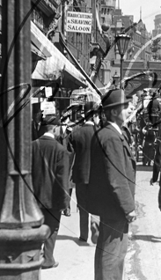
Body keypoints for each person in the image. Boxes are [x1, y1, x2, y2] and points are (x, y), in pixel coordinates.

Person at [87, 89, 136, 280]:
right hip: (114, 207)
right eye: (125, 107)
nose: (129, 109)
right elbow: (117, 176)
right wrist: (129, 207)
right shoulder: (112, 137)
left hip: (108, 206)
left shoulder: (108, 134)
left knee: (107, 254)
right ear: (114, 112)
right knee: (113, 257)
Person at [31, 115, 70, 269]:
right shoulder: (61, 150)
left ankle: (32, 258)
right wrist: (65, 202)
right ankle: (48, 259)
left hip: (33, 197)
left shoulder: (32, 146)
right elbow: (62, 179)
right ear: (55, 128)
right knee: (52, 228)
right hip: (53, 198)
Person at [68, 101, 101, 244]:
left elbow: (69, 155)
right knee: (96, 202)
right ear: (95, 116)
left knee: (82, 205)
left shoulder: (76, 132)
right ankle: (95, 222)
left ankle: (83, 235)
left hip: (80, 175)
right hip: (96, 176)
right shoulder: (100, 133)